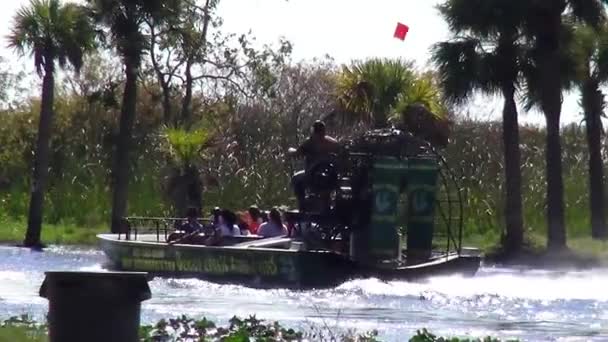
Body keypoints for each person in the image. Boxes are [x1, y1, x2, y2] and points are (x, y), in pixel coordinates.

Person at [288, 120, 341, 210]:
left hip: (312, 176)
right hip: (332, 178)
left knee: (295, 179)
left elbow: (297, 153)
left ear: (313, 131)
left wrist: (290, 150)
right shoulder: (333, 143)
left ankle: (302, 206)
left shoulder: (310, 142)